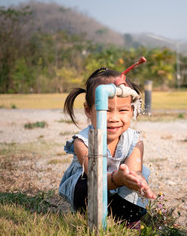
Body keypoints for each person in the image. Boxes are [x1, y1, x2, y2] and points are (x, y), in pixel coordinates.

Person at [59, 68, 156, 227]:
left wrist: (139, 181)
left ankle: (128, 220)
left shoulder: (134, 140)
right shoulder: (83, 142)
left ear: (132, 110)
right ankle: (93, 214)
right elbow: (95, 177)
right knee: (85, 185)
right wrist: (117, 178)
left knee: (132, 185)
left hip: (118, 189)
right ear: (88, 110)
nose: (113, 118)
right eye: (105, 110)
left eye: (123, 110)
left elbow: (135, 170)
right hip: (89, 191)